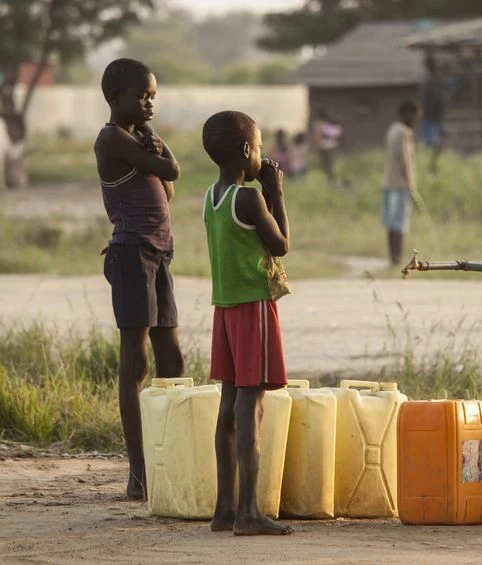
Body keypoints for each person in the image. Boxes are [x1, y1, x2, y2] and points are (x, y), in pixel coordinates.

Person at [94, 58, 185, 500]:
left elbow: (167, 191)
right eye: (141, 96)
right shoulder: (112, 138)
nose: (150, 104)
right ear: (115, 99)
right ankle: (140, 472)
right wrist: (160, 150)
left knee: (173, 363)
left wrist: (154, 143)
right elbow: (172, 173)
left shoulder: (138, 140)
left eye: (153, 97)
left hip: (159, 254)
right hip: (131, 253)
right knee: (137, 363)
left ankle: (172, 458)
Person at [201, 110, 294, 536]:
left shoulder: (210, 197)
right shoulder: (249, 199)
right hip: (252, 306)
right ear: (245, 151)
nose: (262, 156)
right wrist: (275, 192)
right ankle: (248, 512)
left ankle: (224, 509)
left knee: (228, 403)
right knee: (250, 405)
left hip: (224, 308)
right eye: (258, 148)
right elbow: (281, 245)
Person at [382, 100, 420, 267]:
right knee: (399, 222)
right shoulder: (405, 132)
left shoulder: (392, 129)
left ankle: (393, 257)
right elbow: (405, 160)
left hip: (388, 183)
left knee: (391, 223)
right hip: (400, 185)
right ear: (408, 114)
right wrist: (411, 184)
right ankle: (397, 259)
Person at [420, 52, 445, 173]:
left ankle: (432, 167)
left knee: (431, 144)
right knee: (434, 145)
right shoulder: (432, 80)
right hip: (432, 118)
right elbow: (437, 100)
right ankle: (432, 168)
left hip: (428, 117)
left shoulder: (427, 80)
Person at [312, 110, 343, 185]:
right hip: (331, 146)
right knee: (330, 163)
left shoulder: (319, 125)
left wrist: (317, 147)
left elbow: (317, 137)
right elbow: (336, 135)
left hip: (324, 146)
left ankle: (329, 180)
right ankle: (332, 179)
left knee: (326, 164)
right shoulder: (327, 125)